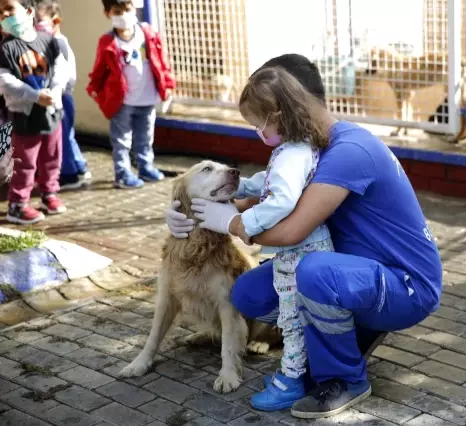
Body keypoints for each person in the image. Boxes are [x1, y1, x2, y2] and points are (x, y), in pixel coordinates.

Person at [166, 53, 443, 419]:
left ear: (281, 108)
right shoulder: (310, 146)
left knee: (311, 273)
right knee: (248, 293)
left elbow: (292, 229)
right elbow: (257, 196)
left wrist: (231, 224)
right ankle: (352, 329)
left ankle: (346, 379)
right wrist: (189, 211)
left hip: (406, 285)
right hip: (356, 269)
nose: (259, 130)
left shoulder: (348, 151)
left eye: (260, 120)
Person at [199, 66, 335, 412]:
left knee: (291, 320)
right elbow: (271, 181)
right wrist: (243, 187)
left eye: (257, 123)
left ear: (277, 115)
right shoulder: (295, 146)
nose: (256, 131)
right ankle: (303, 370)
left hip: (297, 255)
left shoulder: (291, 154)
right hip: (300, 253)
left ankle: (291, 380)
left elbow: (283, 198)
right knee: (300, 317)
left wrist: (241, 221)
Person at [87, 0, 174, 189]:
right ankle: (123, 173)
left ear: (134, 9)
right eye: (118, 11)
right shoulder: (108, 41)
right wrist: (96, 90)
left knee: (145, 137)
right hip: (122, 101)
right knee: (122, 140)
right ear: (108, 13)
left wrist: (167, 84)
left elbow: (161, 61)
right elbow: (99, 69)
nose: (123, 15)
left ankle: (145, 167)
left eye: (127, 9)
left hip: (147, 97)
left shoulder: (147, 33)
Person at [0, 0, 69, 224]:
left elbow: (60, 68)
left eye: (9, 9)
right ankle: (17, 204)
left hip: (51, 112)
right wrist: (34, 96)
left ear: (29, 12)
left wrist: (56, 91)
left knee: (52, 156)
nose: (4, 15)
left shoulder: (48, 41)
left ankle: (49, 193)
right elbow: (5, 81)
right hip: (24, 116)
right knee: (25, 161)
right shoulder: (5, 48)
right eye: (1, 12)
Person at [34, 0, 91, 191]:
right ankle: (79, 167)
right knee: (68, 135)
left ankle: (69, 174)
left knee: (62, 138)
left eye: (39, 20)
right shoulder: (54, 41)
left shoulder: (56, 43)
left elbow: (63, 74)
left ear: (55, 21)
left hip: (61, 97)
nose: (35, 25)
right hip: (62, 96)